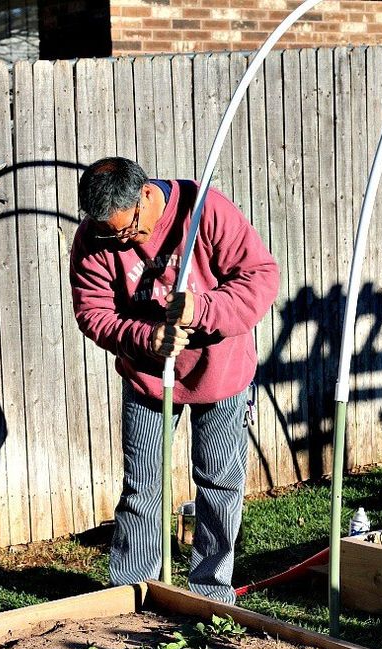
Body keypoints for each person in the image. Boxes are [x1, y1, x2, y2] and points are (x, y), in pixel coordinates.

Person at [70, 157, 279, 604]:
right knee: (143, 487)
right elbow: (93, 313)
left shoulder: (205, 210)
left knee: (219, 483)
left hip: (220, 371)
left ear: (146, 194)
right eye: (112, 234)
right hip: (148, 377)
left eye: (129, 231)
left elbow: (260, 279)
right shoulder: (95, 237)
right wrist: (148, 337)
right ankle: (132, 594)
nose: (122, 241)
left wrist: (201, 309)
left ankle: (211, 592)